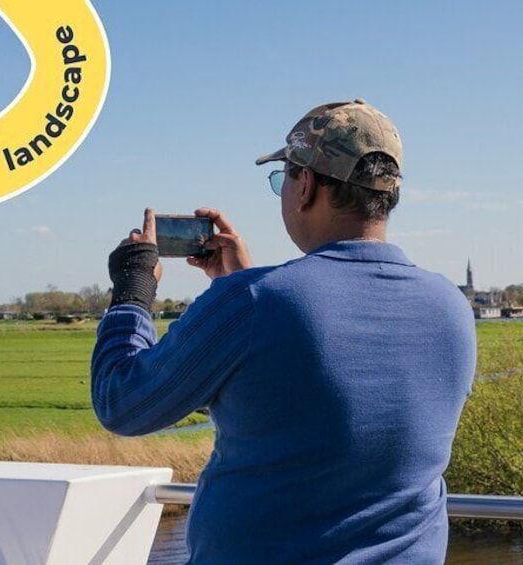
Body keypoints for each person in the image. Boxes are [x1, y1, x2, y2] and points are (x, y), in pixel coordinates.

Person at [91, 99, 476, 564]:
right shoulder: (451, 308)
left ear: (306, 185)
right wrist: (242, 284)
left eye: (283, 179)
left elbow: (122, 402)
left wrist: (133, 289)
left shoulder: (254, 303)